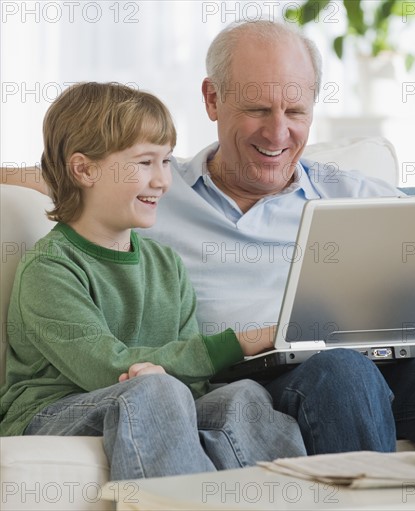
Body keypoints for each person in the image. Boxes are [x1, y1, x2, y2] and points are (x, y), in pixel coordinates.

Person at [2, 21, 415, 450]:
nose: (277, 134)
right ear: (212, 99)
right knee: (340, 370)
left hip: (370, 366)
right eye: (257, 110)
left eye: (295, 113)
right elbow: (68, 172)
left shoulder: (353, 193)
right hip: (252, 379)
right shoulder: (154, 187)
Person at [0, 81, 308, 481]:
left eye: (165, 162)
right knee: (155, 390)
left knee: (244, 395)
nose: (163, 181)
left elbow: (192, 380)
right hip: (54, 411)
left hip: (153, 395)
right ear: (84, 169)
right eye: (145, 163)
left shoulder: (166, 264)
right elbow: (105, 368)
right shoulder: (50, 268)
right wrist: (238, 342)